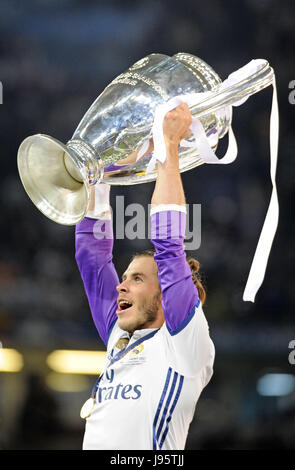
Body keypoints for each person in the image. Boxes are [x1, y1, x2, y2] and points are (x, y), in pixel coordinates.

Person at [75, 102, 215, 450]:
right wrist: (100, 172)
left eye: (137, 279)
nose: (120, 284)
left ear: (169, 294)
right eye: (126, 277)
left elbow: (169, 248)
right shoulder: (119, 339)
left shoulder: (184, 347)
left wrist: (169, 148)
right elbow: (91, 256)